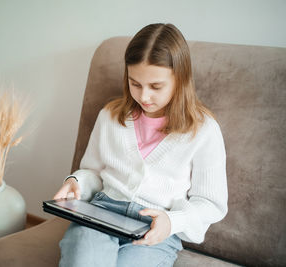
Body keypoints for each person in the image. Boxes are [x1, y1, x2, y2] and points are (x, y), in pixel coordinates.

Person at [53, 23, 228, 267]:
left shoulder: (203, 130)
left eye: (156, 87)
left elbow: (211, 204)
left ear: (181, 79)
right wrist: (76, 182)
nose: (144, 97)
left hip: (156, 229)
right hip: (102, 213)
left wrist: (172, 222)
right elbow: (92, 172)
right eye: (135, 84)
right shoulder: (109, 117)